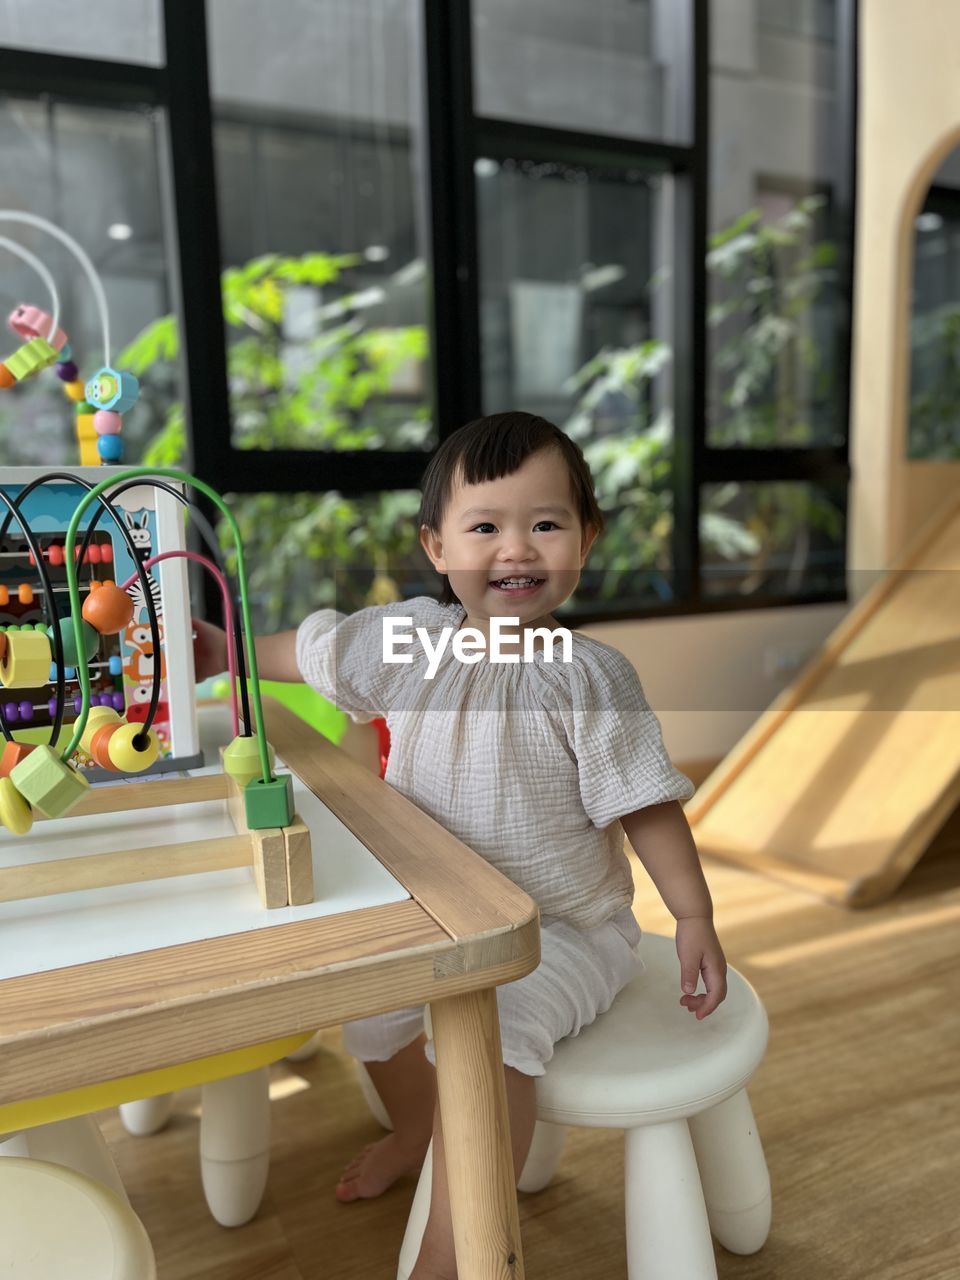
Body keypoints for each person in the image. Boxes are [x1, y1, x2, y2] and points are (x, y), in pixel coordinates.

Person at [194, 411, 727, 1280]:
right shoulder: (408, 641)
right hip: (437, 912)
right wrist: (227, 651)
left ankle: (459, 1245)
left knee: (494, 1028)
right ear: (437, 547)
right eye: (485, 527)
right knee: (370, 1013)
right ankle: (417, 1130)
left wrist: (694, 912)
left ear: (585, 540)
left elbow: (647, 804)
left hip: (561, 931)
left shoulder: (591, 676)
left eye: (545, 524)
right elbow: (313, 650)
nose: (515, 549)